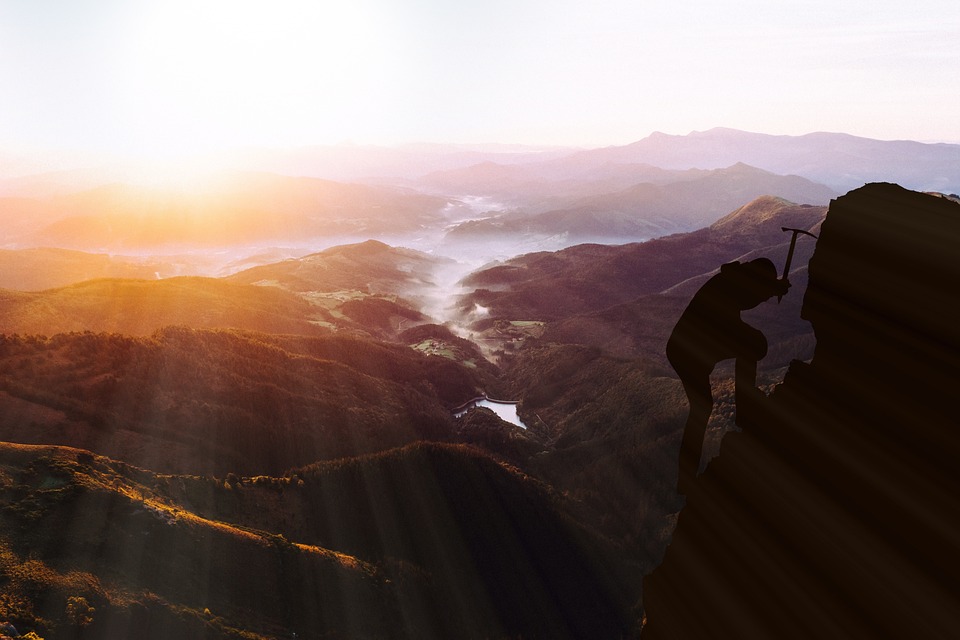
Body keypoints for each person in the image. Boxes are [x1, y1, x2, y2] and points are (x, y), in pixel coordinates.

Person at [666, 258, 789, 494]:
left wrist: (772, 288)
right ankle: (745, 410)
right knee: (754, 345)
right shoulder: (730, 288)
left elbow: (747, 296)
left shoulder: (730, 280)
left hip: (688, 349)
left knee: (701, 411)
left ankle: (686, 478)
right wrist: (773, 289)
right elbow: (747, 297)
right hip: (690, 351)